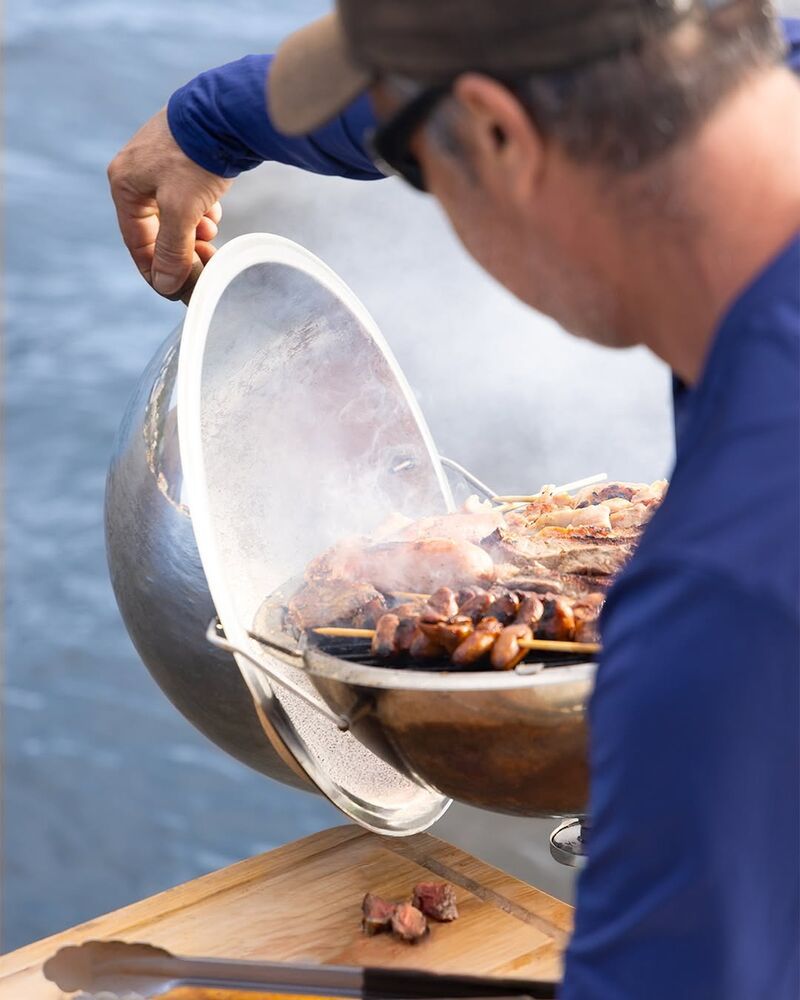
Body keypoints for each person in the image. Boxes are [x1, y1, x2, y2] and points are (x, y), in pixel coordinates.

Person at [108, 3, 800, 997]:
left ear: (495, 136)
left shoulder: (728, 593)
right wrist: (214, 120)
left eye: (417, 158)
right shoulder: (741, 72)